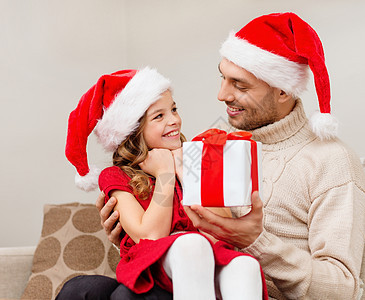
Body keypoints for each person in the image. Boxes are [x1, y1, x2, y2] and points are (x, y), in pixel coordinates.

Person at [98, 12, 365, 299]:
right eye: (223, 78)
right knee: (82, 290)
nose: (221, 94)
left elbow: (342, 289)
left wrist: (256, 241)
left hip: (248, 287)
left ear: (282, 90)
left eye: (239, 85)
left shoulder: (331, 161)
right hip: (195, 282)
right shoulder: (210, 143)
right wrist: (130, 235)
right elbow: (178, 234)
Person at [60, 67, 266, 300]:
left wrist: (187, 173)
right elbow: (151, 236)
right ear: (133, 131)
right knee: (191, 244)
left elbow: (221, 232)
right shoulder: (116, 176)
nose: (174, 120)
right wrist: (166, 174)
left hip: (205, 262)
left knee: (244, 266)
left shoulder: (196, 158)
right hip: (156, 265)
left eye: (174, 109)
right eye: (159, 116)